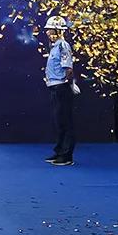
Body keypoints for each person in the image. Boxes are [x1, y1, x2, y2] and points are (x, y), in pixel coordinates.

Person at [43, 15, 76, 166]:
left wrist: (69, 84)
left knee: (65, 121)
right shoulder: (54, 46)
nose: (47, 32)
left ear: (57, 31)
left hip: (61, 87)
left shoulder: (63, 46)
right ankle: (59, 151)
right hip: (55, 87)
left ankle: (66, 155)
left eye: (50, 30)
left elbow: (68, 69)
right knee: (59, 122)